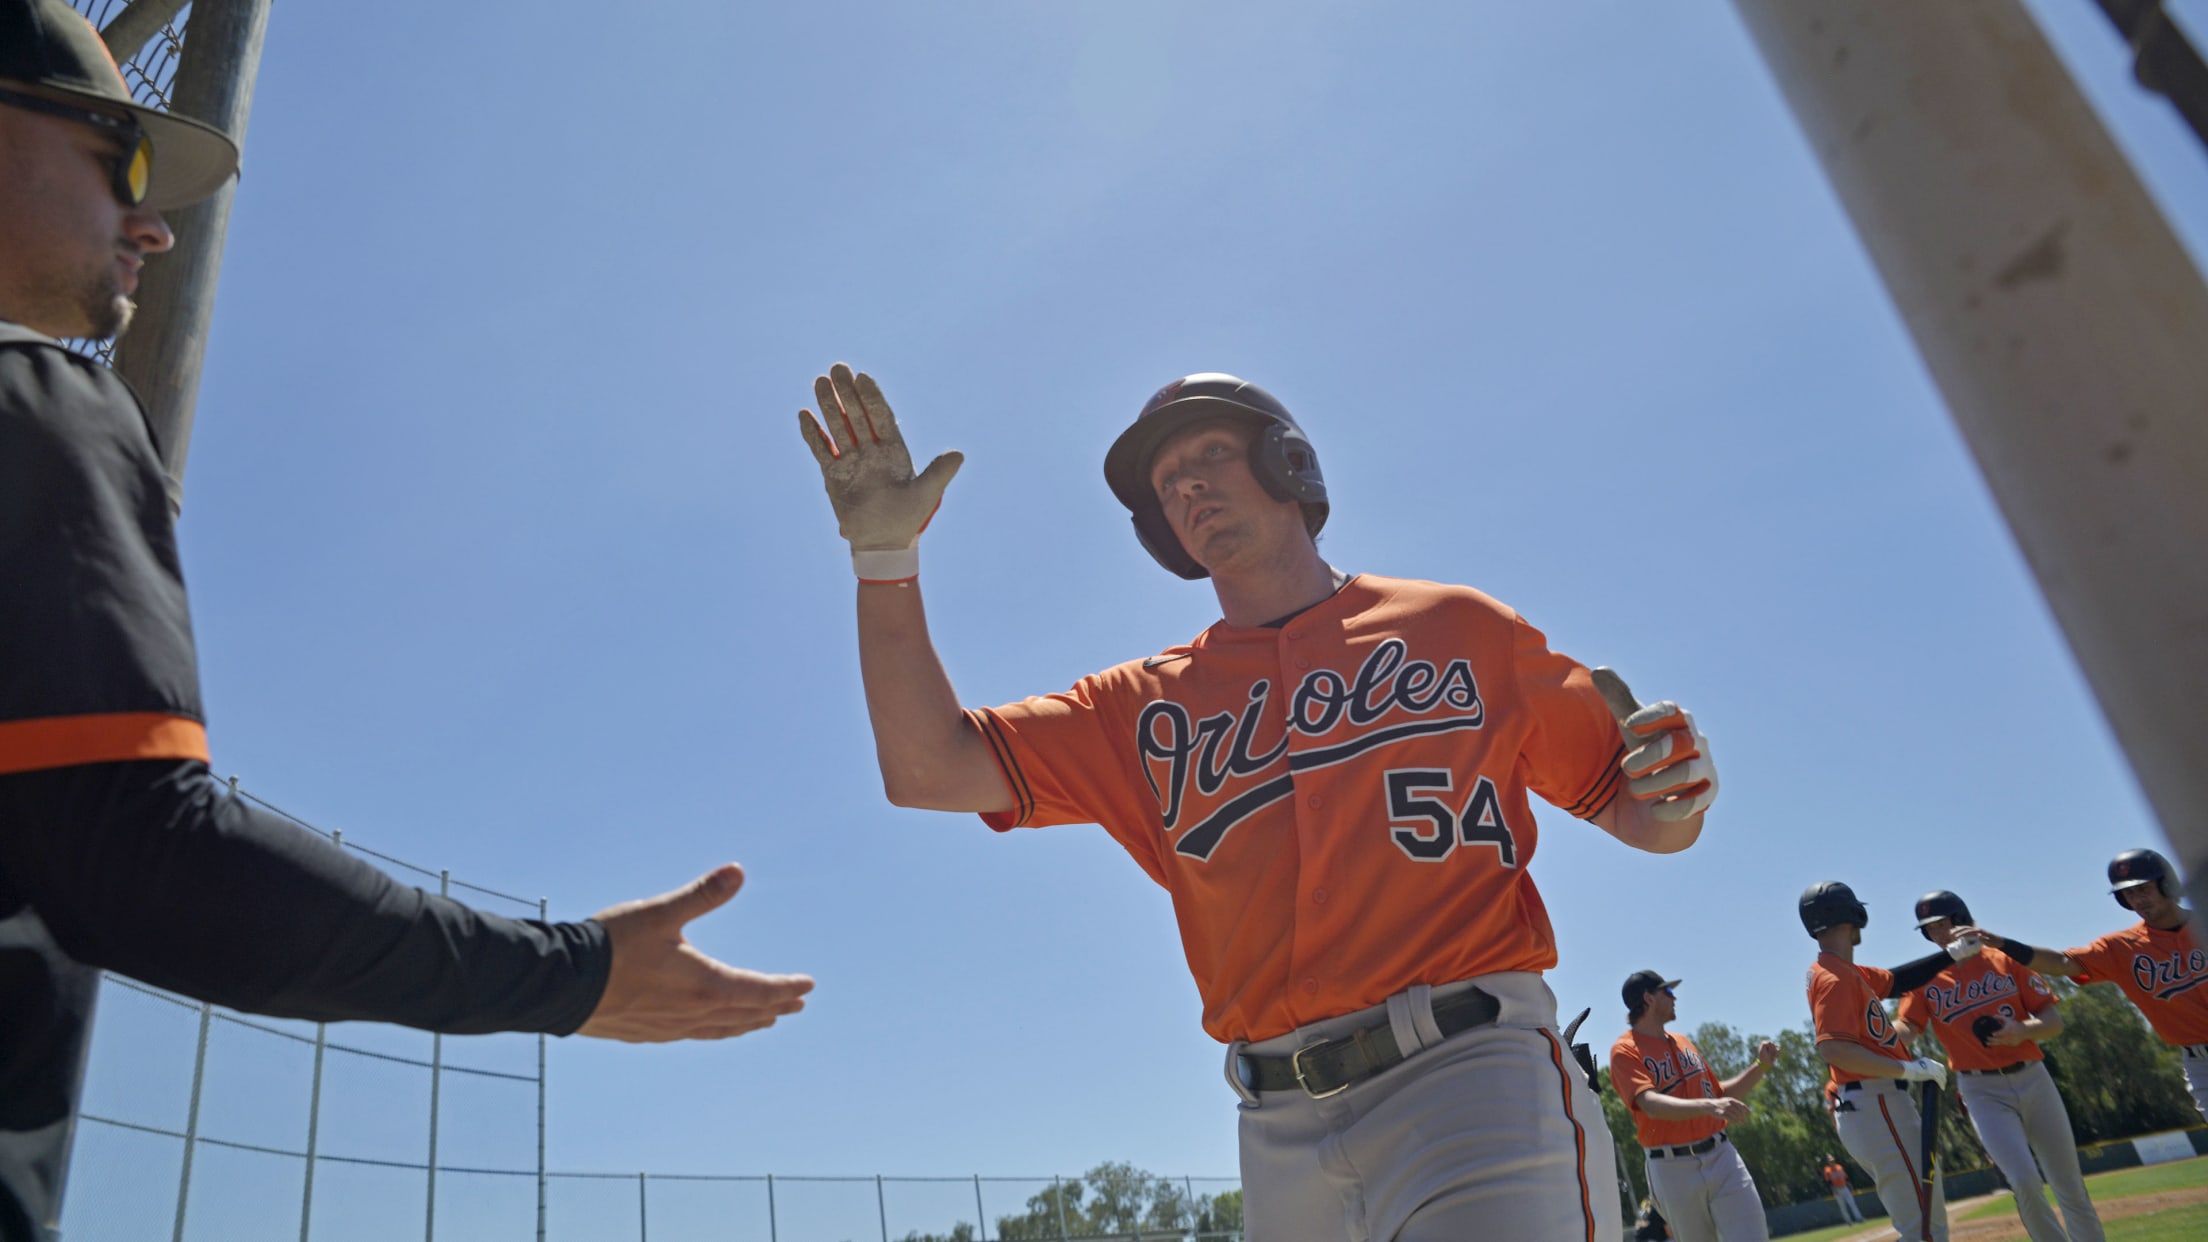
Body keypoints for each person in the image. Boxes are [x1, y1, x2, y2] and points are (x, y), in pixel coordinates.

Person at [0, 5, 814, 1238]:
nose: (154, 224)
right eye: (119, 163)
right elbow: (140, 855)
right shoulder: (30, 396)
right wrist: (568, 977)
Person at [797, 364, 1721, 1241]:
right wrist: (884, 558)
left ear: (1289, 463)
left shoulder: (1458, 627)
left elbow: (1643, 815)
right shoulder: (1138, 708)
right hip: (1277, 1127)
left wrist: (1674, 794)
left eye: (1208, 455)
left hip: (1468, 1077)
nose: (1188, 488)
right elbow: (927, 768)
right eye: (1166, 483)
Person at [1893, 891, 2103, 1242]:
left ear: (1962, 918)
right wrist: (1876, 1036)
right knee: (2023, 1181)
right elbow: (1908, 1030)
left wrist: (2023, 1030)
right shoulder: (1926, 978)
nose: (1939, 934)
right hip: (1981, 1090)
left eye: (1943, 924)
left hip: (2033, 1078)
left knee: (2069, 1184)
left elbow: (2053, 1022)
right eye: (1930, 929)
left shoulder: (2005, 959)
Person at [1962, 849, 2208, 1123]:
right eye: (2128, 894)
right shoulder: (2120, 948)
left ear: (2167, 884)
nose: (2137, 899)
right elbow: (2062, 963)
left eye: (2144, 889)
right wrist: (2004, 945)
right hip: (2200, 1062)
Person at [1799, 881, 1961, 1242]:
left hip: (1875, 1104)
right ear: (1850, 914)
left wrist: (1952, 954)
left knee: (1926, 1224)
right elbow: (1833, 1049)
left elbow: (1900, 980)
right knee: (1924, 1228)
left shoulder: (1843, 970)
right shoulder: (1835, 977)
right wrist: (1906, 1069)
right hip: (1877, 1103)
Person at [1606, 972, 1780, 1242]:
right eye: (1668, 992)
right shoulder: (1625, 1050)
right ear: (1649, 998)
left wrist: (1762, 1067)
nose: (1675, 998)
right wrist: (1708, 1106)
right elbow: (1650, 1103)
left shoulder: (1682, 1042)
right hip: (1672, 1168)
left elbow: (1719, 1094)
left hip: (1721, 1155)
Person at [1820, 1154, 1863, 1224]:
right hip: (1837, 1190)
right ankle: (1848, 1221)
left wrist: (1849, 1185)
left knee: (1852, 1203)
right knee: (1842, 1206)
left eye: (1833, 1160)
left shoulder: (1839, 1167)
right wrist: (1833, 1190)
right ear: (1828, 1162)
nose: (1832, 1162)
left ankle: (1859, 1218)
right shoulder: (1827, 1170)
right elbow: (1828, 1182)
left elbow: (1845, 1177)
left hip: (1844, 1187)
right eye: (1830, 1161)